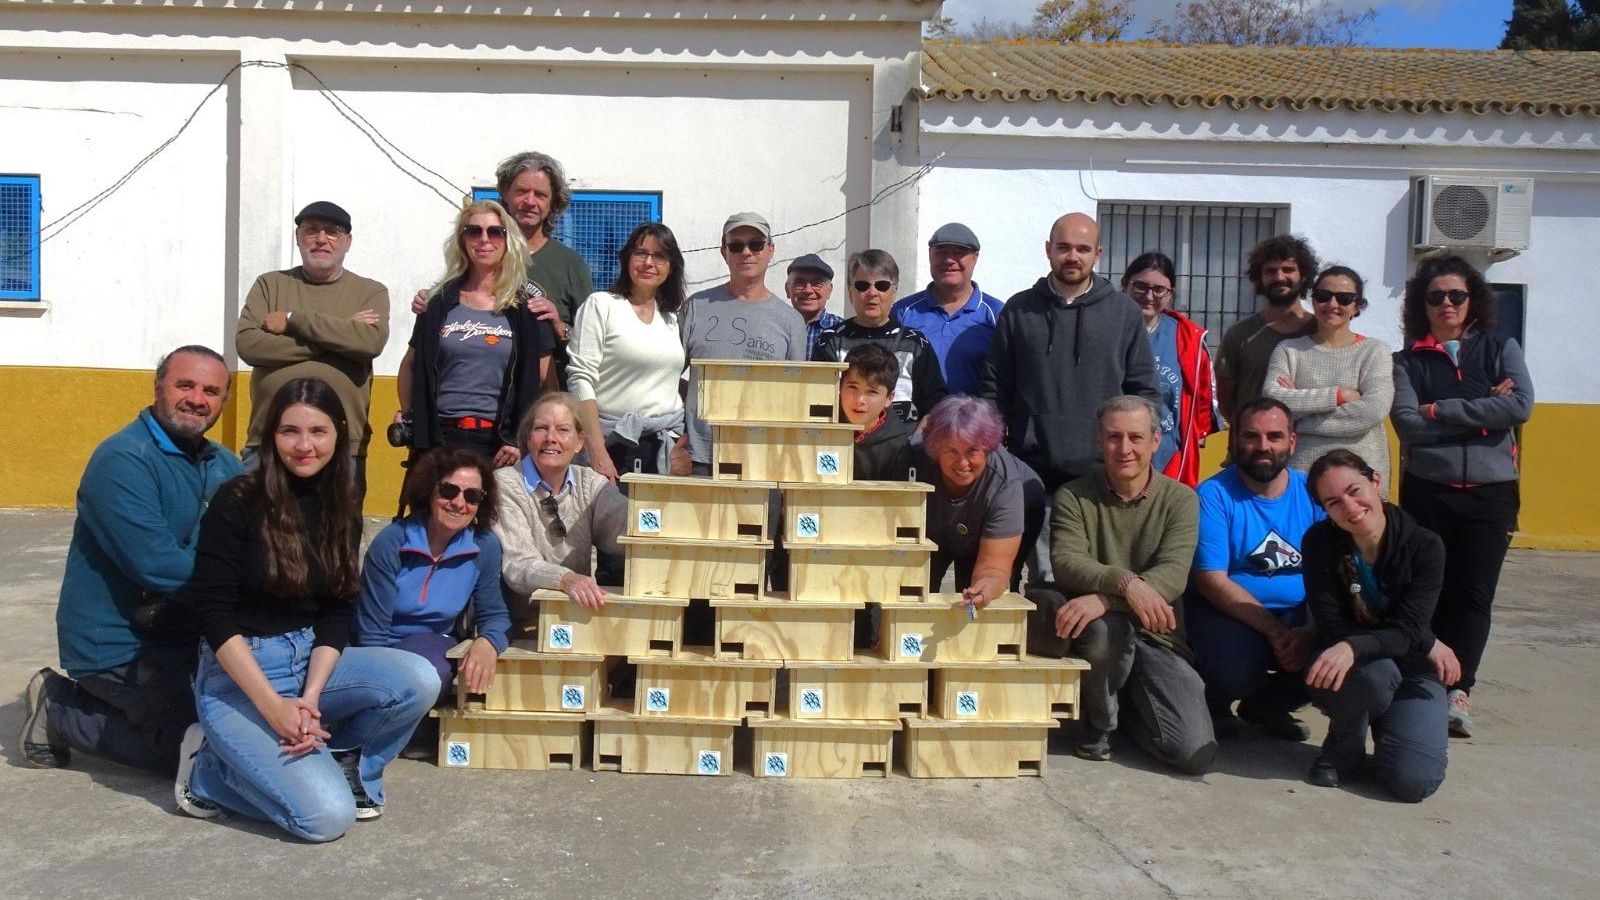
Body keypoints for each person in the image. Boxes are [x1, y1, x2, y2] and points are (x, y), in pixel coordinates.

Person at [178, 378, 439, 838]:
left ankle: (341, 761)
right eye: (289, 431)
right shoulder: (236, 501)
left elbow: (337, 611)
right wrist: (274, 707)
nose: (304, 446)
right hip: (241, 675)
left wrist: (311, 698)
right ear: (271, 435)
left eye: (317, 431)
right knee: (325, 819)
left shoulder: (342, 504)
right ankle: (209, 771)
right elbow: (213, 614)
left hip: (308, 663)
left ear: (339, 433)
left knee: (419, 677)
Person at [21, 346, 243, 773]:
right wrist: (247, 596)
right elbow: (156, 565)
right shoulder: (123, 461)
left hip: (187, 633)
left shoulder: (224, 464)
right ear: (158, 387)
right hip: (119, 645)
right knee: (198, 753)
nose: (198, 399)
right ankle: (61, 709)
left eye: (212, 391)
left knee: (245, 729)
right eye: (185, 385)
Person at [1026, 396, 1213, 773]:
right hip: (1098, 632)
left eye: (1135, 437)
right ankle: (1099, 725)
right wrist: (1125, 583)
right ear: (1099, 441)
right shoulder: (1074, 496)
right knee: (1103, 631)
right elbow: (1066, 562)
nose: (1124, 449)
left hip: (1158, 636)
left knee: (1193, 753)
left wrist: (1108, 598)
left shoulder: (1181, 500)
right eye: (1113, 437)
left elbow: (1173, 576)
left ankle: (1128, 710)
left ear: (1156, 441)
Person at [1391, 254, 1533, 738]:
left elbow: (1521, 406)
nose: (1447, 304)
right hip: (1429, 491)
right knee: (1426, 588)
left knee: (1473, 595)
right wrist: (1483, 414)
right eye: (1436, 297)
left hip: (1491, 495)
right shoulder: (1407, 360)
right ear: (1421, 305)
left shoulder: (1499, 347)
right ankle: (1422, 678)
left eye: (1457, 295)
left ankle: (1460, 688)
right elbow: (1408, 423)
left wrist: (1442, 410)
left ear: (1473, 300)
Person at [979, 212, 1159, 584]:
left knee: (1094, 578)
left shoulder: (1123, 312)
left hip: (1101, 477)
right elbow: (994, 388)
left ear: (1098, 253)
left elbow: (1143, 391)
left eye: (1082, 248)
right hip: (1032, 472)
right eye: (1063, 248)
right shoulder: (1019, 309)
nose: (1072, 256)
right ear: (1048, 250)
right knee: (1040, 581)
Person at [1301, 449, 1454, 801]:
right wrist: (1414, 638)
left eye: (1355, 491)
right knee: (1376, 675)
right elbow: (1331, 624)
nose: (1351, 508)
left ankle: (1391, 727)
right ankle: (1344, 749)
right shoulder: (1319, 543)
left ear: (1376, 481)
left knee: (1413, 782)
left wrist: (1357, 644)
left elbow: (1410, 629)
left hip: (1414, 671)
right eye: (1334, 502)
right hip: (1354, 671)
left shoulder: (1425, 546)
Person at [1187, 398, 1324, 741]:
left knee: (1336, 654)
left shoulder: (1313, 494)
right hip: (1232, 614)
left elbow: (1332, 575)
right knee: (1232, 671)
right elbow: (1210, 579)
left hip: (1302, 615)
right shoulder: (1214, 495)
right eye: (1252, 436)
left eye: (1274, 436)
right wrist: (1277, 633)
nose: (1263, 447)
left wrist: (1308, 630)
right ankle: (1215, 702)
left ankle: (1267, 705)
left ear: (1292, 441)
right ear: (1235, 440)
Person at [236, 201, 388, 507]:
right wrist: (341, 336)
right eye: (311, 231)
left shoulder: (370, 291)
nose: (321, 239)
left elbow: (370, 343)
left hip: (344, 445)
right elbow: (249, 345)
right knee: (258, 543)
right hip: (267, 440)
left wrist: (294, 320)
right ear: (298, 237)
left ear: (348, 241)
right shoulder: (270, 285)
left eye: (332, 232)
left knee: (335, 546)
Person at [397, 199, 555, 469]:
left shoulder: (525, 309)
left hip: (501, 445)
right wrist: (410, 416)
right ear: (462, 240)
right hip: (440, 440)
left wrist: (520, 438)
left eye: (495, 232)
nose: (484, 239)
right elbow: (410, 366)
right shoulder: (437, 303)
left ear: (508, 241)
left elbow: (544, 382)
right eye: (474, 231)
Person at [352, 447, 512, 702]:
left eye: (472, 496)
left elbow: (495, 614)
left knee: (430, 672)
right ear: (429, 490)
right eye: (449, 491)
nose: (459, 503)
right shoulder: (392, 542)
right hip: (381, 646)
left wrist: (487, 642)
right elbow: (372, 633)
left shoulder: (484, 545)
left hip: (433, 644)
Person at [679, 212, 807, 474]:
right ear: (724, 252)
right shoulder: (695, 307)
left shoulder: (791, 321)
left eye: (756, 244)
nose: (746, 252)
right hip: (699, 457)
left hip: (763, 458)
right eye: (736, 246)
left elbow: (796, 398)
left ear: (770, 250)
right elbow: (668, 377)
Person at [568, 222, 688, 483]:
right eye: (640, 253)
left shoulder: (670, 318)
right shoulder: (601, 305)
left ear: (671, 266)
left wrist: (682, 444)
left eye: (659, 256)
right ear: (627, 258)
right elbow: (580, 380)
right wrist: (597, 452)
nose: (648, 262)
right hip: (612, 446)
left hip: (663, 451)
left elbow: (670, 383)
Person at [493, 393, 628, 619]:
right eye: (541, 428)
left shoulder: (590, 483)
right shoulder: (504, 483)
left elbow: (627, 529)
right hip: (516, 621)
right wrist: (566, 579)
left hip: (572, 616)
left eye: (563, 430)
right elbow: (518, 565)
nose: (551, 438)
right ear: (528, 438)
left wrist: (669, 483)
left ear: (580, 442)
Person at [1264, 265, 1394, 489]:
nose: (1332, 305)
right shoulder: (1288, 350)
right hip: (1302, 473)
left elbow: (1373, 410)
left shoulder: (1375, 351)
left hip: (1362, 475)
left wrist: (1299, 419)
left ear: (1357, 306)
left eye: (1344, 298)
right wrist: (1339, 395)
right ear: (1313, 300)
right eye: (1324, 296)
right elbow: (1273, 400)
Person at [917, 395, 1047, 598]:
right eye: (952, 451)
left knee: (975, 590)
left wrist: (986, 587)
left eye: (972, 451)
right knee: (918, 583)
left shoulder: (1006, 485)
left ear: (988, 449)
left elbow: (994, 567)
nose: (962, 463)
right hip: (939, 523)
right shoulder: (915, 461)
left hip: (1015, 510)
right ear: (936, 447)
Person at [812, 249, 949, 424]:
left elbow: (935, 406)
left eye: (882, 286)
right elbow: (818, 404)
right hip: (844, 445)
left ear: (894, 292)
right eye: (862, 285)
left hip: (904, 448)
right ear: (850, 291)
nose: (872, 293)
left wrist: (914, 444)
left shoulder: (915, 343)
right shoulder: (830, 341)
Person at [1121, 252, 1220, 488]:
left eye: (1159, 290)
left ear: (1171, 293)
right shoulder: (1105, 331)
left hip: (1168, 460)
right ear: (1125, 285)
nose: (1149, 296)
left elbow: (1204, 402)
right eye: (1140, 286)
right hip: (1115, 455)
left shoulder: (1187, 339)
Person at [891, 222, 1004, 396]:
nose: (949, 260)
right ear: (930, 255)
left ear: (975, 258)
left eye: (959, 253)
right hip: (916, 421)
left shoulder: (996, 314)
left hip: (975, 421)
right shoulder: (903, 312)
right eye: (941, 252)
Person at [1215, 235, 1318, 424]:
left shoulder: (1320, 331)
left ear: (1303, 276)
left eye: (1288, 270)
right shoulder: (1239, 335)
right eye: (1271, 271)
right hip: (1248, 447)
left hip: (1307, 446)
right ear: (1259, 278)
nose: (1279, 277)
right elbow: (1226, 404)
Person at [841, 344, 915, 482]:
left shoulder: (898, 447)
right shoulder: (819, 428)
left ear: (889, 398)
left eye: (872, 392)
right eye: (852, 387)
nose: (860, 400)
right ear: (839, 386)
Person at [786, 253, 842, 358]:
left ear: (829, 291)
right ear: (787, 289)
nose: (808, 290)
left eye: (817, 283)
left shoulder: (842, 331)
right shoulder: (775, 327)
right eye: (799, 283)